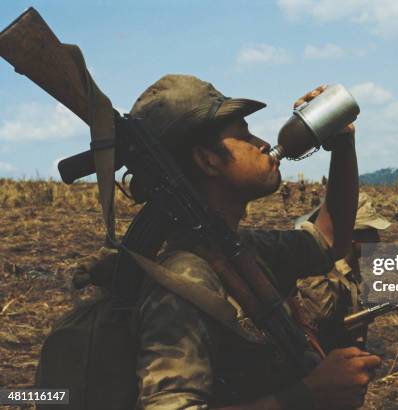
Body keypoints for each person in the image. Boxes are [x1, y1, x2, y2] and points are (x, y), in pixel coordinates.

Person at [125, 76, 380, 409]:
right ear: (208, 160)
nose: (261, 143)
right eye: (244, 135)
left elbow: (330, 241)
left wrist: (342, 144)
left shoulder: (240, 247)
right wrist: (308, 393)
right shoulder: (184, 280)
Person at [293, 192, 391, 352]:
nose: (378, 240)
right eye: (371, 232)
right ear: (351, 235)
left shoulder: (350, 266)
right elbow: (322, 317)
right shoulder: (320, 269)